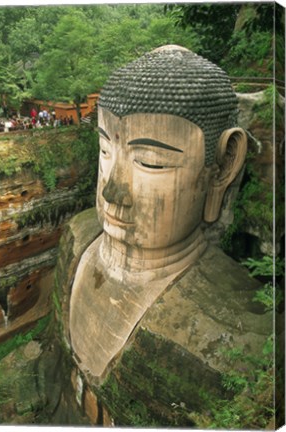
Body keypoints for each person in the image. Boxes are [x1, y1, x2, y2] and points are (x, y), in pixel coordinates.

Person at [69, 46, 269, 387]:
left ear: (222, 167)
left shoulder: (239, 338)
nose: (111, 192)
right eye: (105, 150)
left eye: (151, 162)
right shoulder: (77, 237)